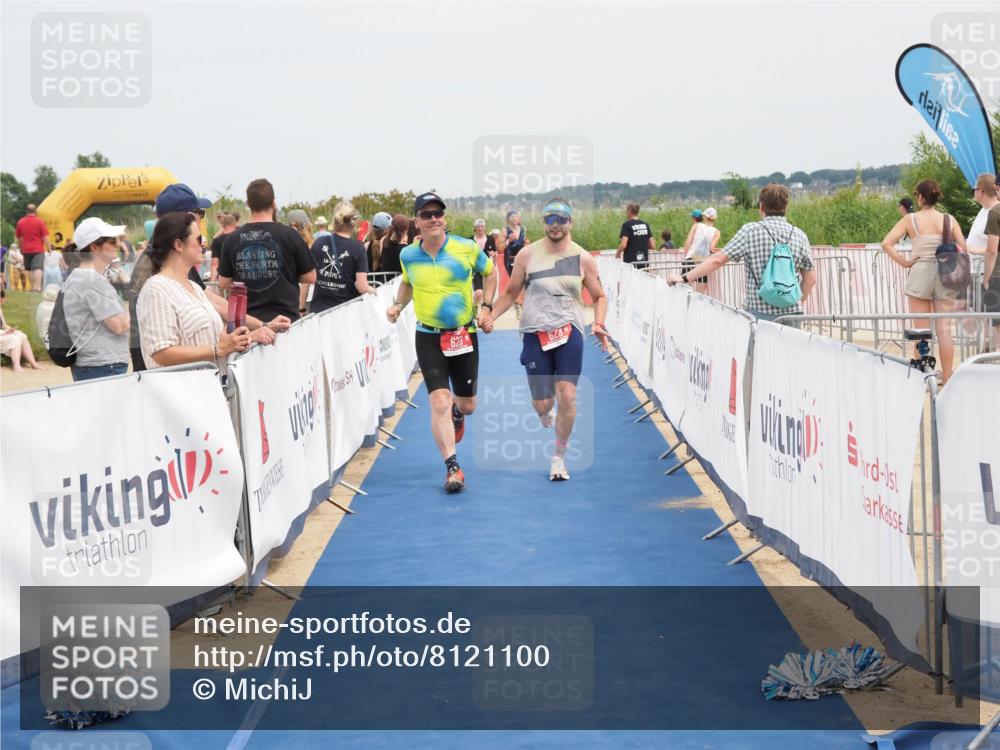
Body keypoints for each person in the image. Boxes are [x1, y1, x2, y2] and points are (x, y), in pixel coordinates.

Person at [483, 198, 608, 481]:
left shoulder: (583, 259)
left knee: (568, 395)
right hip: (534, 333)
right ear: (543, 222)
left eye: (561, 219)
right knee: (543, 404)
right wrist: (491, 314)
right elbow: (511, 291)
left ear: (570, 223)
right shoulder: (527, 255)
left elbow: (600, 296)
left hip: (569, 331)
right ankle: (543, 412)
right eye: (550, 219)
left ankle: (558, 457)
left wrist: (598, 322)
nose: (555, 225)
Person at [386, 191, 496, 493]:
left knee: (467, 404)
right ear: (417, 222)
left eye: (438, 214)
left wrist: (486, 307)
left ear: (444, 219)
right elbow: (408, 283)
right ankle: (453, 467)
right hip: (429, 337)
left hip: (463, 335)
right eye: (426, 214)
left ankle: (459, 414)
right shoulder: (408, 255)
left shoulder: (466, 248)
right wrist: (398, 305)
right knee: (439, 400)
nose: (433, 219)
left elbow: (491, 272)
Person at [667, 184, 816, 323]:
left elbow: (717, 260)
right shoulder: (800, 235)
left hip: (759, 313)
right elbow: (811, 279)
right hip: (792, 313)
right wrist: (797, 303)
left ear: (761, 206)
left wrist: (684, 278)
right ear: (786, 206)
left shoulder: (750, 231)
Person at [137, 212, 253, 369]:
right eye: (199, 239)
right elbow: (161, 353)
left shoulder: (195, 287)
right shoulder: (156, 290)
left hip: (210, 386)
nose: (203, 244)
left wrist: (242, 338)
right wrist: (217, 349)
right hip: (182, 390)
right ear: (178, 245)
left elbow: (211, 340)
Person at [880, 179, 967, 383]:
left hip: (919, 272)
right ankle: (946, 378)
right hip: (945, 274)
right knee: (944, 330)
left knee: (920, 331)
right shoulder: (948, 219)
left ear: (919, 197)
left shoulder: (910, 220)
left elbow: (886, 243)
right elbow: (962, 247)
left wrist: (906, 262)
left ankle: (922, 378)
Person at [219, 178, 317, 322]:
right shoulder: (290, 235)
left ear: (248, 205)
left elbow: (224, 283)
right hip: (286, 322)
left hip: (249, 325)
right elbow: (310, 276)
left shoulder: (232, 239)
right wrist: (286, 272)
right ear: (273, 204)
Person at [60, 218, 131, 381]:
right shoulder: (92, 280)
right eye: (112, 241)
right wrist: (139, 302)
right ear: (94, 247)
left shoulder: (79, 276)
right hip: (103, 365)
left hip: (95, 364)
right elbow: (120, 326)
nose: (118, 245)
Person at [308, 202, 376, 313]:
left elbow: (308, 278)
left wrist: (301, 307)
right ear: (354, 223)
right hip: (345, 313)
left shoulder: (318, 243)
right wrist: (372, 290)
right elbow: (362, 287)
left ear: (334, 221)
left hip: (319, 311)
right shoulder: (358, 248)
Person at [978, 174, 1000, 351]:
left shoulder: (995, 213)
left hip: (998, 275)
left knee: (998, 324)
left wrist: (986, 278)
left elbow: (992, 249)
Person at [681, 207, 721, 294]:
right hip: (702, 263)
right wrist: (720, 250)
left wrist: (685, 257)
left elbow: (688, 242)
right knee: (700, 294)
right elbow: (711, 249)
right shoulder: (717, 232)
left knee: (684, 290)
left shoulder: (696, 226)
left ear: (705, 217)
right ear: (715, 218)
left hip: (690, 259)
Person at [14, 204, 52, 291]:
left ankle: (32, 286)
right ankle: (37, 287)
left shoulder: (20, 222)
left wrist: (20, 247)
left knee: (29, 268)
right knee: (38, 267)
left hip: (26, 249)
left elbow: (18, 238)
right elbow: (45, 237)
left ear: (26, 211)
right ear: (35, 211)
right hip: (38, 249)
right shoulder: (40, 221)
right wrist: (49, 248)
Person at [616, 202, 656, 268]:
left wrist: (617, 254)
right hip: (644, 262)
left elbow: (623, 245)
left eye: (626, 210)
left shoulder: (627, 225)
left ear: (630, 211)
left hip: (631, 264)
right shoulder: (645, 225)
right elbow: (653, 246)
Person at [469, 218, 498, 305]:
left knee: (486, 295)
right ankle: (474, 307)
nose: (480, 228)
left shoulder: (490, 239)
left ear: (485, 228)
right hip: (475, 269)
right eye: (478, 226)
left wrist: (494, 256)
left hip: (487, 269)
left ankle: (483, 313)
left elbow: (495, 252)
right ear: (474, 228)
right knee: (479, 293)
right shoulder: (469, 240)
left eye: (482, 226)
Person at [209, 211, 239, 281]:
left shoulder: (216, 240)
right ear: (233, 224)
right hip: (238, 278)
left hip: (222, 277)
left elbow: (214, 264)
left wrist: (212, 283)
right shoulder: (239, 238)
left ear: (223, 225)